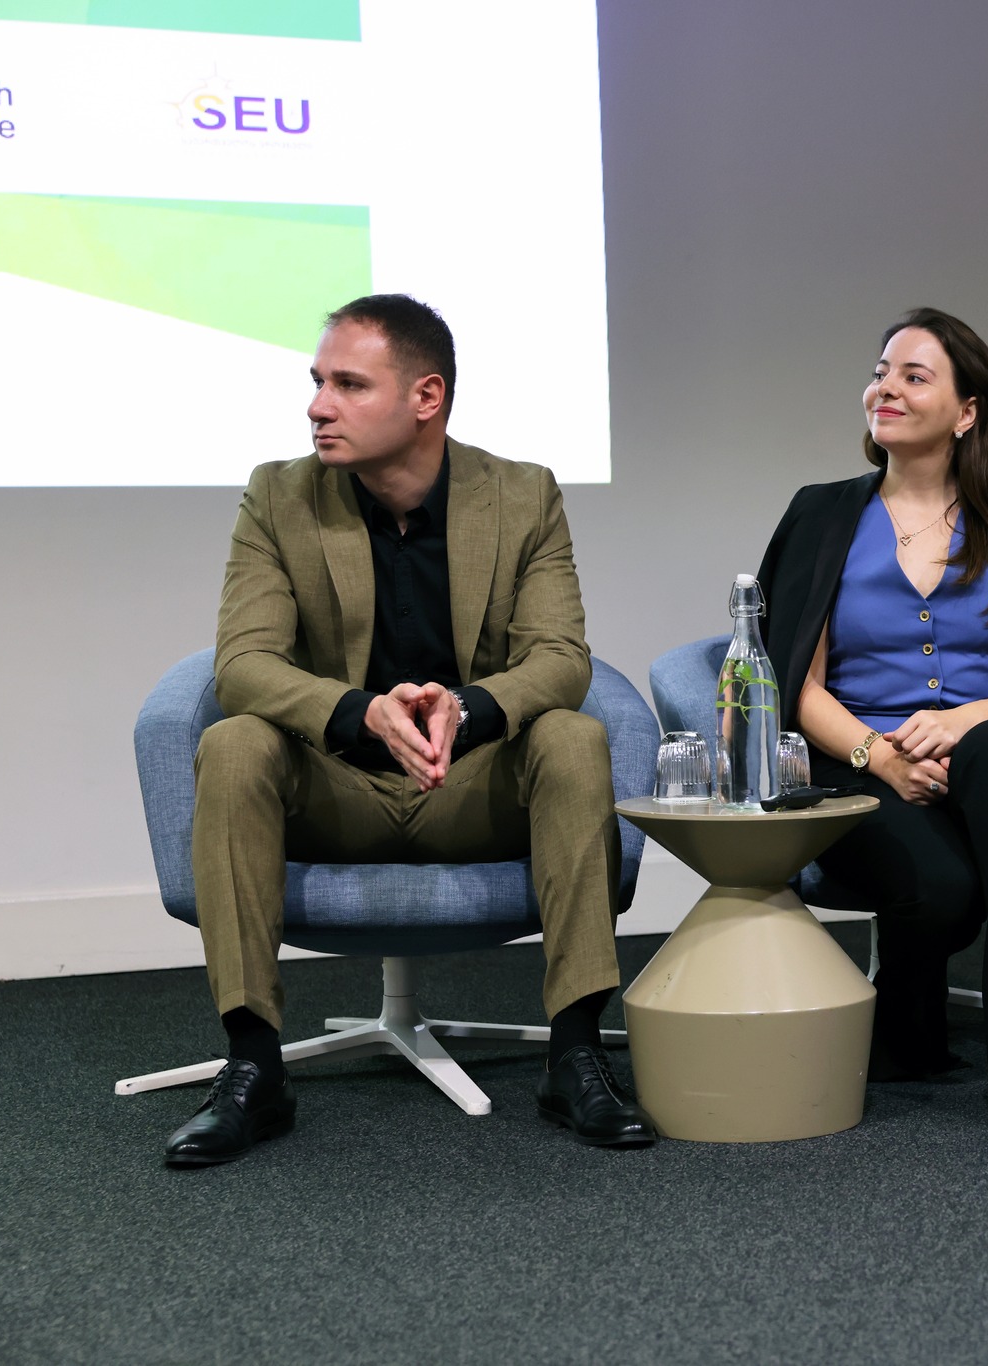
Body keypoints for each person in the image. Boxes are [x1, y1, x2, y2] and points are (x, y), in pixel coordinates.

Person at [166, 294, 655, 1165]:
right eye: (318, 381)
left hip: (472, 786)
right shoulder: (279, 495)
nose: (318, 405)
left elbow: (560, 657)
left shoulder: (522, 495)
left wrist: (468, 709)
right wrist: (360, 712)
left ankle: (576, 1055)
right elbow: (242, 663)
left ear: (426, 397)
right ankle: (252, 1067)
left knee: (572, 737)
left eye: (349, 385)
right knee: (233, 742)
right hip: (338, 788)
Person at [754, 307, 988, 1134]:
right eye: (881, 372)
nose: (886, 388)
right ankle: (905, 1015)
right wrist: (880, 755)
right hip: (858, 764)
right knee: (946, 890)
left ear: (966, 412)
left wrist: (964, 724)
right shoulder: (821, 515)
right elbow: (795, 685)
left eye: (914, 377)